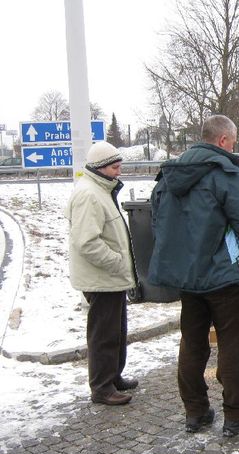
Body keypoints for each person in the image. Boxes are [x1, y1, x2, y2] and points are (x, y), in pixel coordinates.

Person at [148, 115, 239, 437]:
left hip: (189, 277)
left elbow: (158, 223)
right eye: (234, 139)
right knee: (231, 344)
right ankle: (237, 416)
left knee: (192, 343)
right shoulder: (226, 174)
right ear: (224, 141)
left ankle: (196, 413)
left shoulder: (168, 177)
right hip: (227, 277)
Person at [65, 141, 138, 406]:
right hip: (102, 278)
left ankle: (113, 376)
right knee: (103, 335)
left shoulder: (100, 190)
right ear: (100, 168)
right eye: (115, 167)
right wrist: (117, 262)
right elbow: (87, 242)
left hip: (110, 277)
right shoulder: (89, 194)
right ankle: (102, 387)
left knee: (116, 331)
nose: (119, 172)